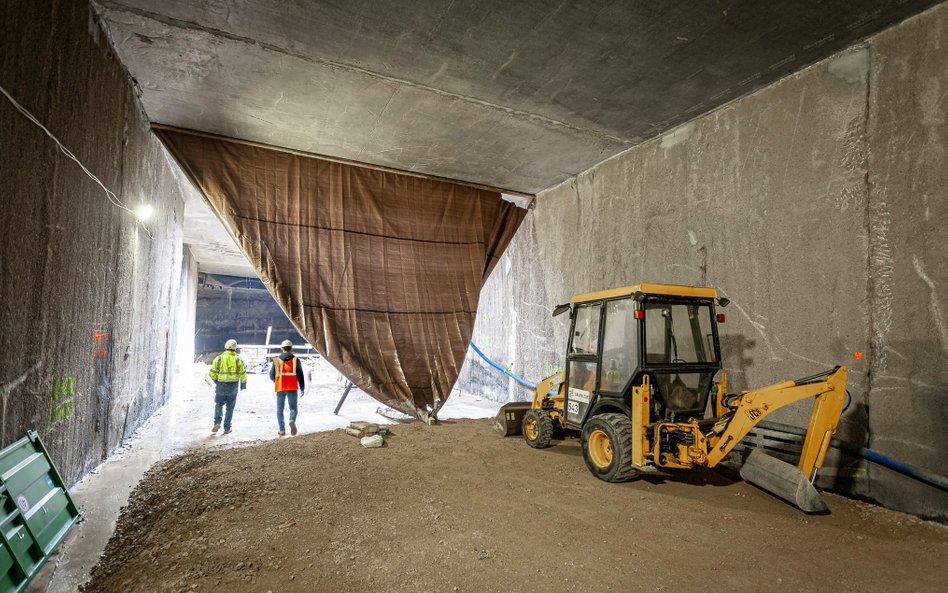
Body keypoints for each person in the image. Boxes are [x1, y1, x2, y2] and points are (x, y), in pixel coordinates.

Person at [208, 339, 247, 435]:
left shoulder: (219, 358)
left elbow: (212, 374)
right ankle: (227, 428)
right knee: (230, 408)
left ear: (225, 347)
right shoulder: (238, 359)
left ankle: (217, 423)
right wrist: (243, 385)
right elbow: (243, 374)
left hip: (221, 385)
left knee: (219, 404)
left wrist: (217, 382)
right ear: (235, 348)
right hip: (233, 387)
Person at [269, 339, 305, 436]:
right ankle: (291, 419)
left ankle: (282, 430)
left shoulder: (276, 360)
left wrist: (277, 381)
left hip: (280, 387)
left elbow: (271, 375)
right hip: (292, 387)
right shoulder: (296, 360)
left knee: (279, 409)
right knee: (293, 408)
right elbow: (300, 375)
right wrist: (302, 388)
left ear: (282, 348)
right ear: (291, 349)